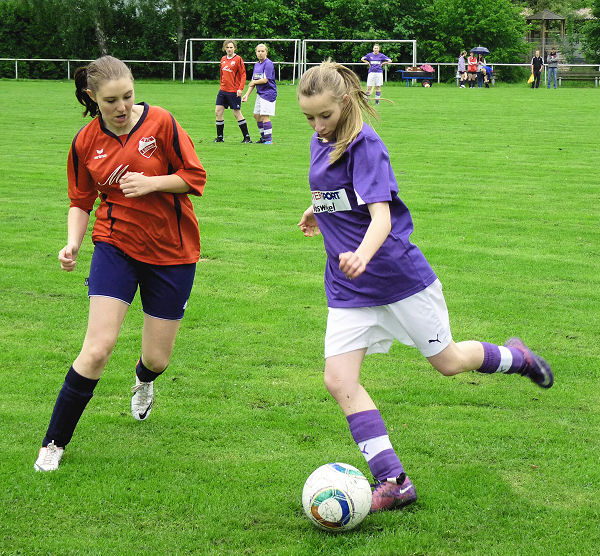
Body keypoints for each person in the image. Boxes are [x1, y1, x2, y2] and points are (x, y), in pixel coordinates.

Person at [296, 60, 553, 513]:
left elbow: (382, 217)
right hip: (348, 288)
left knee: (449, 362)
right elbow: (338, 190)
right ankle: (393, 480)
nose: (318, 126)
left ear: (346, 103)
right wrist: (317, 209)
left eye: (325, 116)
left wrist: (362, 253)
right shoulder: (323, 141)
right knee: (339, 380)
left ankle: (518, 357)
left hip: (395, 278)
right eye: (309, 118)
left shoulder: (366, 145)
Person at [33, 55, 207, 472]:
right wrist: (73, 243)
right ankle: (53, 444)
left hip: (172, 251)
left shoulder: (162, 122)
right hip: (115, 245)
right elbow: (80, 200)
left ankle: (143, 379)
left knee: (158, 359)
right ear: (93, 97)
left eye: (128, 96)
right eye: (111, 100)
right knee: (97, 348)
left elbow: (194, 176)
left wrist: (152, 183)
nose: (122, 107)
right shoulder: (84, 141)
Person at [214, 40, 252, 143]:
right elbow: (222, 74)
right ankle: (220, 138)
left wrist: (240, 89)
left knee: (236, 113)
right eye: (227, 47)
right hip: (223, 91)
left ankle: (247, 137)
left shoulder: (238, 59)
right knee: (218, 112)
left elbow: (243, 75)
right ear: (224, 48)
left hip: (233, 91)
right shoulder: (223, 59)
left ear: (234, 48)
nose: (229, 49)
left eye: (231, 47)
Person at [241, 43, 277, 144]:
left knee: (265, 116)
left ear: (266, 52)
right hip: (260, 94)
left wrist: (254, 82)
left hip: (268, 93)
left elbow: (265, 80)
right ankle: (264, 138)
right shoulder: (257, 65)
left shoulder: (268, 63)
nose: (260, 53)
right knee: (256, 115)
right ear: (256, 53)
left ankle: (269, 140)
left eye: (262, 51)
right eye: (258, 51)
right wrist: (246, 95)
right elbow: (253, 81)